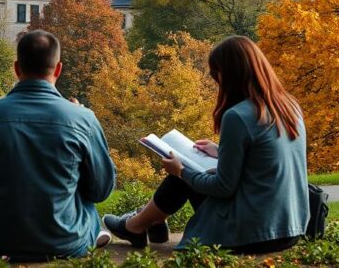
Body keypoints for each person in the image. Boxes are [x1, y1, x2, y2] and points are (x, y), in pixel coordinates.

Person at [104, 36, 309, 254]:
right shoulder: (289, 106)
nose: (216, 81)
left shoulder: (237, 116)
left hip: (254, 233)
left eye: (216, 74)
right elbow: (265, 162)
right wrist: (220, 151)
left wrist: (181, 172)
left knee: (184, 172)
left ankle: (136, 225)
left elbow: (223, 187)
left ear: (230, 74)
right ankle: (149, 223)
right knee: (191, 170)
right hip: (289, 229)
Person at [0, 30, 117, 261]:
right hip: (66, 242)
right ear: (58, 69)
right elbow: (101, 190)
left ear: (16, 68)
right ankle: (90, 236)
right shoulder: (83, 119)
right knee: (87, 204)